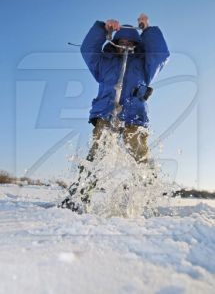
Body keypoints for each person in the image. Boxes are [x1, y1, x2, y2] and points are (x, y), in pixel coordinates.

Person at [60, 14, 170, 210]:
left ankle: (150, 199)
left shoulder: (145, 65)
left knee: (140, 155)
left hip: (133, 116)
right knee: (95, 156)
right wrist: (103, 29)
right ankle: (79, 197)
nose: (126, 43)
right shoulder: (104, 62)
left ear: (136, 43)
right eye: (122, 40)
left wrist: (147, 30)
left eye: (130, 41)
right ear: (116, 41)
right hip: (105, 115)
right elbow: (88, 49)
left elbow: (161, 54)